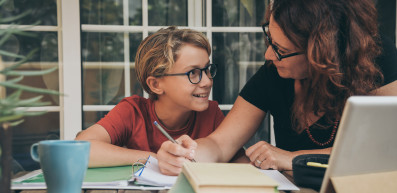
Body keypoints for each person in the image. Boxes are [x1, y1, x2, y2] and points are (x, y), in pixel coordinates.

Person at [157, 0, 397, 175]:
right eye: (270, 40)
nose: (268, 54)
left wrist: (292, 158)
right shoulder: (275, 72)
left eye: (281, 50)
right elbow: (221, 143)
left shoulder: (376, 59)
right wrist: (187, 154)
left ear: (322, 53)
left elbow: (382, 152)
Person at [75, 26, 225, 167]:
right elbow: (80, 149)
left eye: (207, 70)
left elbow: (238, 161)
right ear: (155, 85)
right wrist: (154, 158)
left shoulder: (211, 113)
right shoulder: (133, 112)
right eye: (193, 73)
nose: (207, 81)